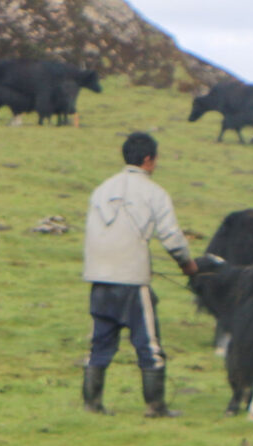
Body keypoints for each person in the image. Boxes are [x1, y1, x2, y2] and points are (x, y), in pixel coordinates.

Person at [82, 131, 199, 417]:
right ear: (148, 159)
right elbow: (171, 237)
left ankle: (92, 404)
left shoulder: (101, 189)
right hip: (132, 280)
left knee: (100, 343)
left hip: (98, 278)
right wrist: (187, 265)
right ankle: (155, 406)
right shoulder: (154, 193)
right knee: (148, 345)